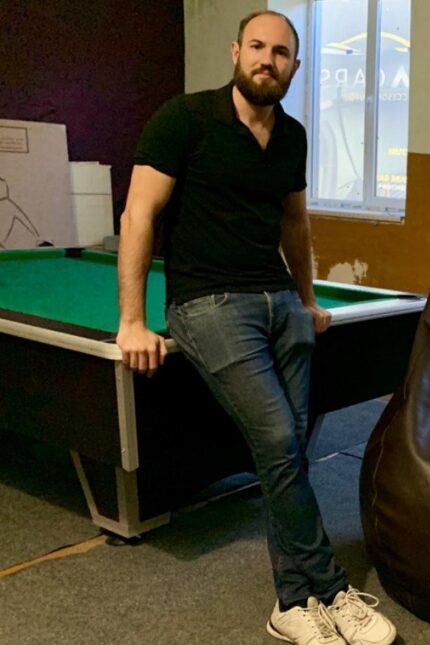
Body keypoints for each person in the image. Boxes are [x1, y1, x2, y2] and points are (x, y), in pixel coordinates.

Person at [115, 11, 396, 645]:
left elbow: (294, 223)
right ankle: (327, 588)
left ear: (295, 65)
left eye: (282, 52)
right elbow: (138, 216)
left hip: (281, 305)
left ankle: (290, 603)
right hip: (208, 304)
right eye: (258, 47)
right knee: (276, 437)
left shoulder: (292, 136)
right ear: (236, 51)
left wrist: (307, 299)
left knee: (286, 449)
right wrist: (132, 320)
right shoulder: (184, 119)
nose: (268, 60)